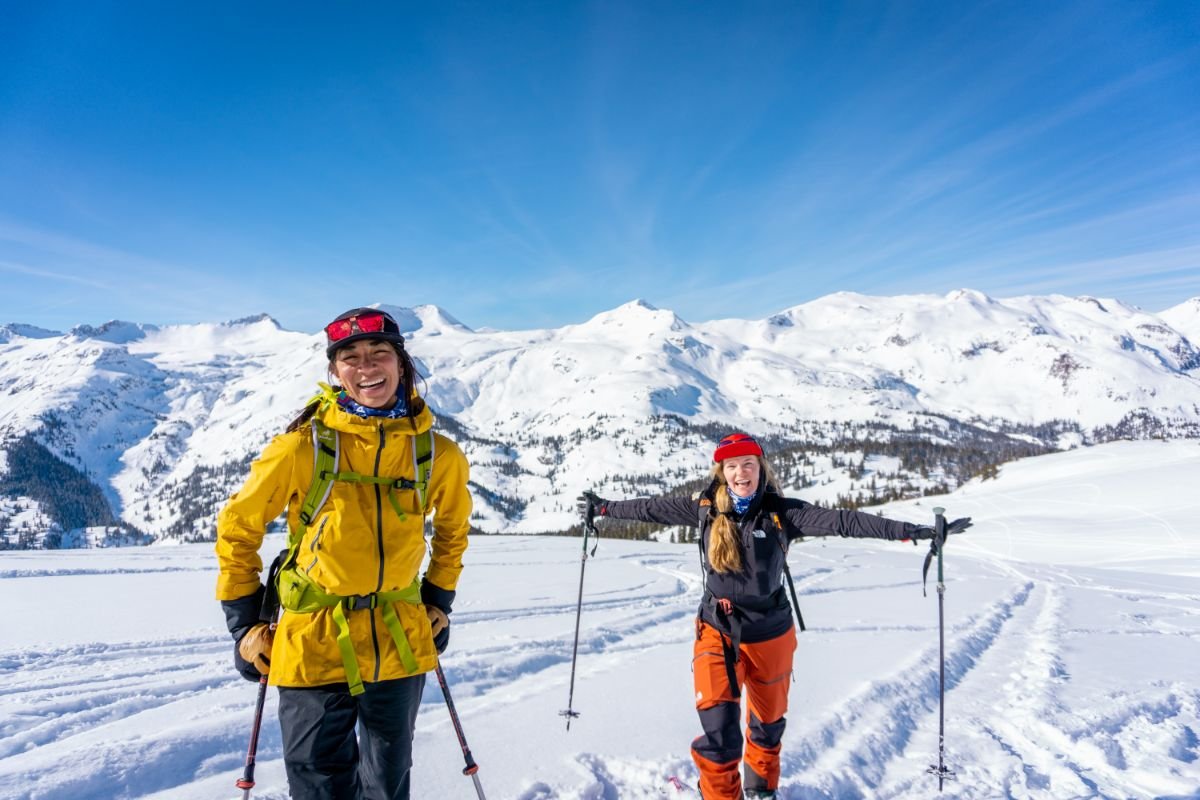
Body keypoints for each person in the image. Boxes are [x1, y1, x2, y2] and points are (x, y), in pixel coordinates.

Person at [578, 432, 970, 800]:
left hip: (771, 635)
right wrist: (604, 507)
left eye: (747, 464)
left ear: (761, 467)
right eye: (731, 466)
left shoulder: (782, 514)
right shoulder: (703, 508)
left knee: (766, 730)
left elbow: (845, 522)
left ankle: (762, 790)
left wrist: (914, 531)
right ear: (721, 472)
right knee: (720, 737)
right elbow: (650, 508)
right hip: (717, 631)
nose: (740, 473)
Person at [215, 307, 472, 800]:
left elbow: (453, 532)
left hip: (398, 638)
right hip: (313, 639)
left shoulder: (438, 454)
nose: (366, 366)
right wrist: (245, 625)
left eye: (379, 353)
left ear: (402, 364)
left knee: (388, 784)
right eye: (350, 357)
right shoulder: (301, 448)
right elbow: (238, 527)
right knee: (319, 787)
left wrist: (438, 601)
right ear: (335, 372)